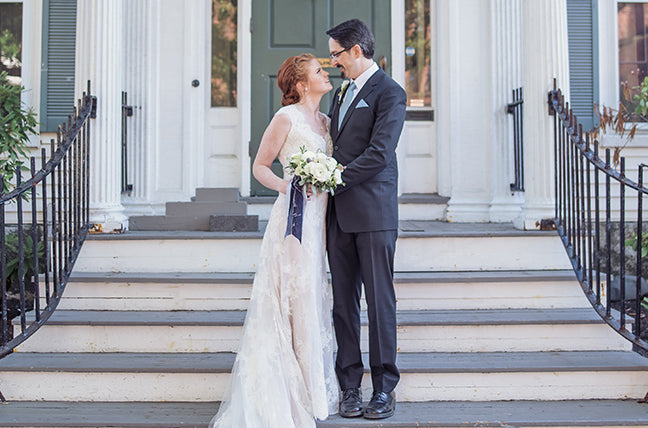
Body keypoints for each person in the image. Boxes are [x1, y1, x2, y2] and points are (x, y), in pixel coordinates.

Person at [210, 54, 339, 428]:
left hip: (320, 222)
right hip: (294, 223)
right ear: (300, 84)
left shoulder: (325, 122)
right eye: (318, 71)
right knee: (293, 296)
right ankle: (287, 389)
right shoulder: (287, 118)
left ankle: (312, 386)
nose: (325, 73)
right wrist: (288, 185)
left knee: (312, 295)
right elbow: (260, 166)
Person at [325, 19, 407, 420]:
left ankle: (384, 388)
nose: (334, 62)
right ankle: (349, 387)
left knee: (379, 303)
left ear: (356, 50)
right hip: (338, 216)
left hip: (373, 212)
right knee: (343, 305)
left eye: (336, 54)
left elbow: (379, 153)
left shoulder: (391, 93)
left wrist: (335, 179)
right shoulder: (341, 94)